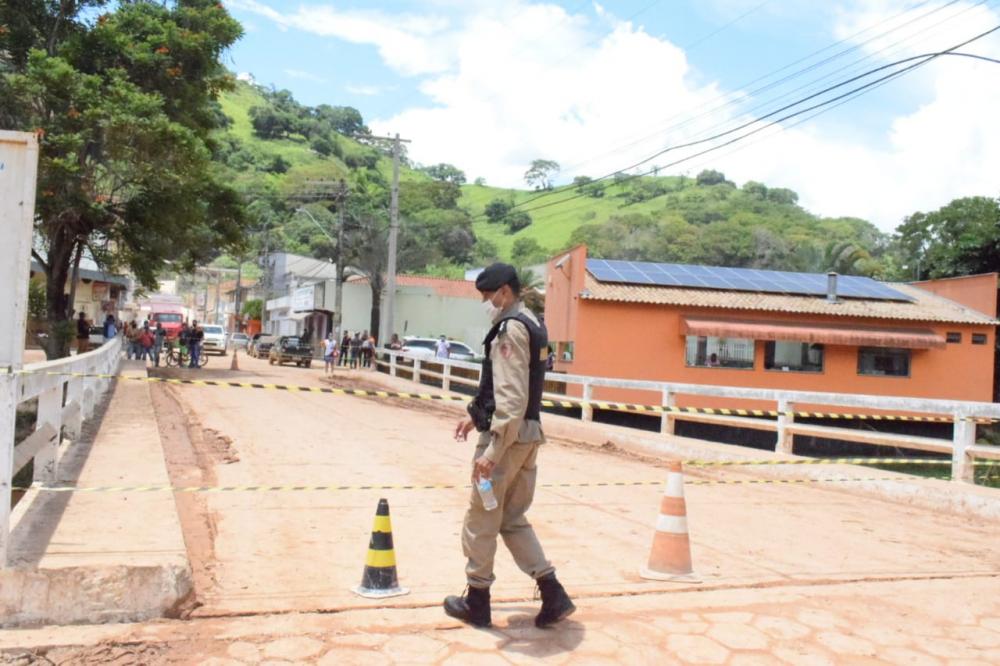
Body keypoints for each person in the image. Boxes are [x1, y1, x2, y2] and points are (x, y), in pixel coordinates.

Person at [445, 262, 574, 629]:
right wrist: (476, 415)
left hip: (507, 439)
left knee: (481, 520)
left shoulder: (510, 330)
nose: (486, 302)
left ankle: (477, 601)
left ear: (504, 291)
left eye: (488, 296)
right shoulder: (532, 321)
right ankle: (553, 593)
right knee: (513, 519)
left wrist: (492, 450)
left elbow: (512, 397)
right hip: (528, 435)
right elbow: (517, 390)